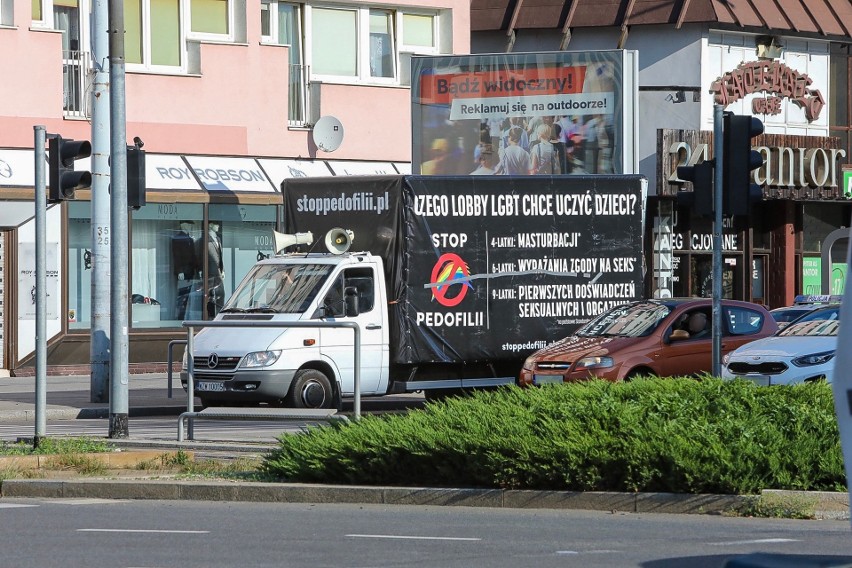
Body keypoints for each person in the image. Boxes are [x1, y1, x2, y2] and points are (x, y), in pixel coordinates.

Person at [172, 220, 199, 319]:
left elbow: (193, 256)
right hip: (183, 272)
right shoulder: (177, 238)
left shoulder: (190, 239)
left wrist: (197, 269)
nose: (189, 227)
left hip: (190, 271)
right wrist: (179, 271)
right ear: (182, 225)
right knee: (182, 296)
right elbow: (176, 255)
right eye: (188, 224)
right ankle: (179, 317)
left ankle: (184, 316)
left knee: (187, 295)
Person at [204, 222, 225, 317]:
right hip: (209, 271)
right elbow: (201, 255)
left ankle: (219, 315)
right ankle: (211, 315)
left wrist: (222, 269)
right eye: (216, 224)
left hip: (218, 271)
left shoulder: (218, 239)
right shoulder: (205, 239)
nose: (218, 226)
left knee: (220, 294)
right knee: (211, 295)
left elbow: (220, 256)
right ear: (210, 225)